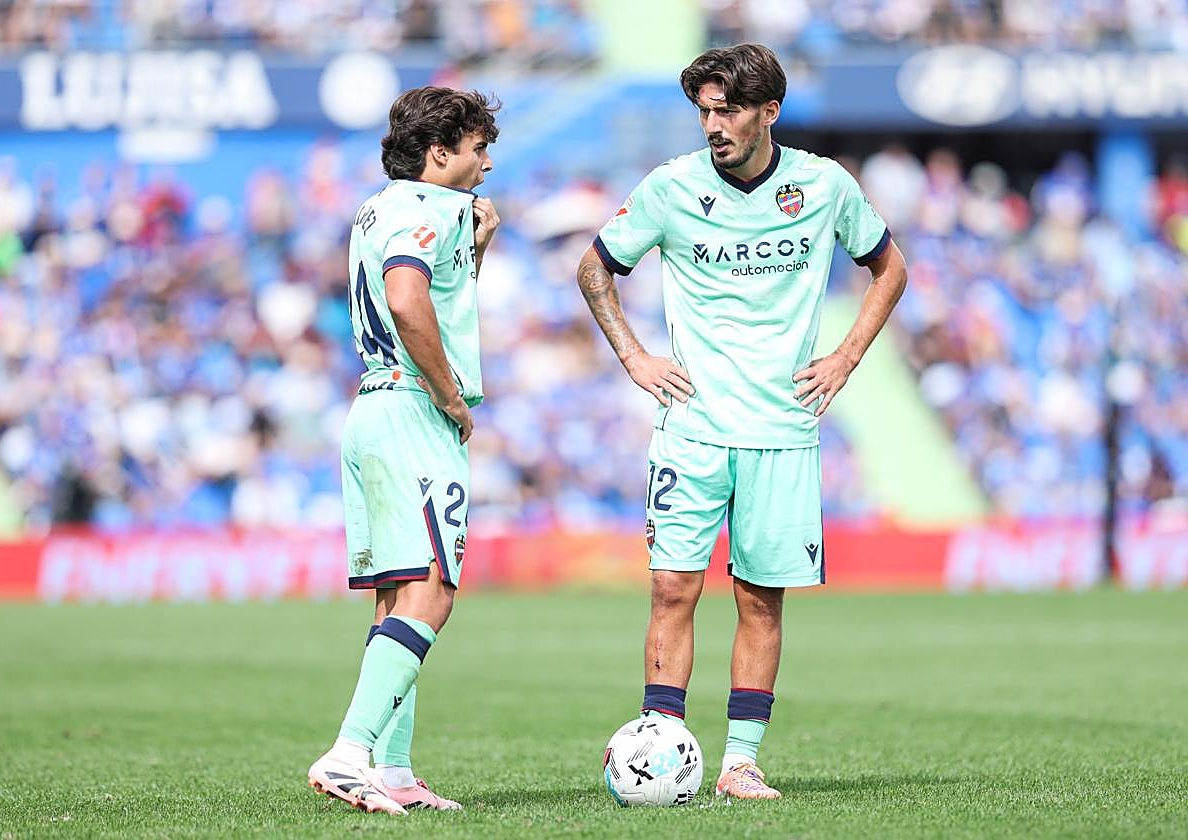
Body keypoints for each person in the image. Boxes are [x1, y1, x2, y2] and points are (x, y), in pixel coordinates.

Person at [577, 44, 907, 800]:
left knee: (760, 598)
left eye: (727, 110)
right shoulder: (670, 187)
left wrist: (846, 356)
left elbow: (890, 267)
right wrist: (634, 357)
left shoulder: (823, 185)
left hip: (782, 430)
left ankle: (739, 763)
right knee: (672, 589)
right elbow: (595, 267)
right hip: (692, 427)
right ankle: (661, 743)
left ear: (769, 112)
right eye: (704, 111)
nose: (713, 125)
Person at [307, 86, 501, 815]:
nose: (486, 164)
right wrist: (450, 395)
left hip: (373, 405)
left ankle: (392, 770)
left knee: (396, 596)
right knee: (431, 591)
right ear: (439, 151)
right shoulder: (430, 207)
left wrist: (477, 249)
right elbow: (409, 298)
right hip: (413, 410)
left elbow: (431, 288)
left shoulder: (378, 207)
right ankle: (349, 753)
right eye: (478, 149)